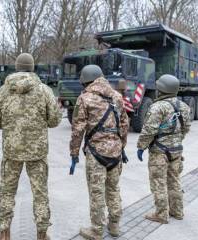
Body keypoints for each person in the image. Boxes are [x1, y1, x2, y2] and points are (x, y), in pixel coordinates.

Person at [0, 53, 62, 240]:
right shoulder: (44, 90)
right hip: (37, 152)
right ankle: (42, 233)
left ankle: (4, 231)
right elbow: (54, 121)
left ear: (16, 67)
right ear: (32, 67)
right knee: (40, 193)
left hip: (11, 150)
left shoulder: (3, 91)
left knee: (7, 191)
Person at [69, 65, 129, 240]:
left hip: (96, 154)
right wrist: (121, 146)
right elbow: (124, 124)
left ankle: (96, 230)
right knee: (113, 190)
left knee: (97, 193)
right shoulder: (117, 96)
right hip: (115, 153)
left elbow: (77, 130)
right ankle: (115, 226)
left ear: (86, 80)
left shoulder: (84, 98)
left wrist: (74, 153)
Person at [137, 74, 191, 224]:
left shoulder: (157, 107)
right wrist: (176, 141)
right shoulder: (184, 107)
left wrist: (141, 147)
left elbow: (148, 130)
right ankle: (177, 211)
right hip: (177, 150)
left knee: (159, 182)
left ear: (161, 89)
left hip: (159, 152)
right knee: (175, 180)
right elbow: (186, 128)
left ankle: (161, 214)